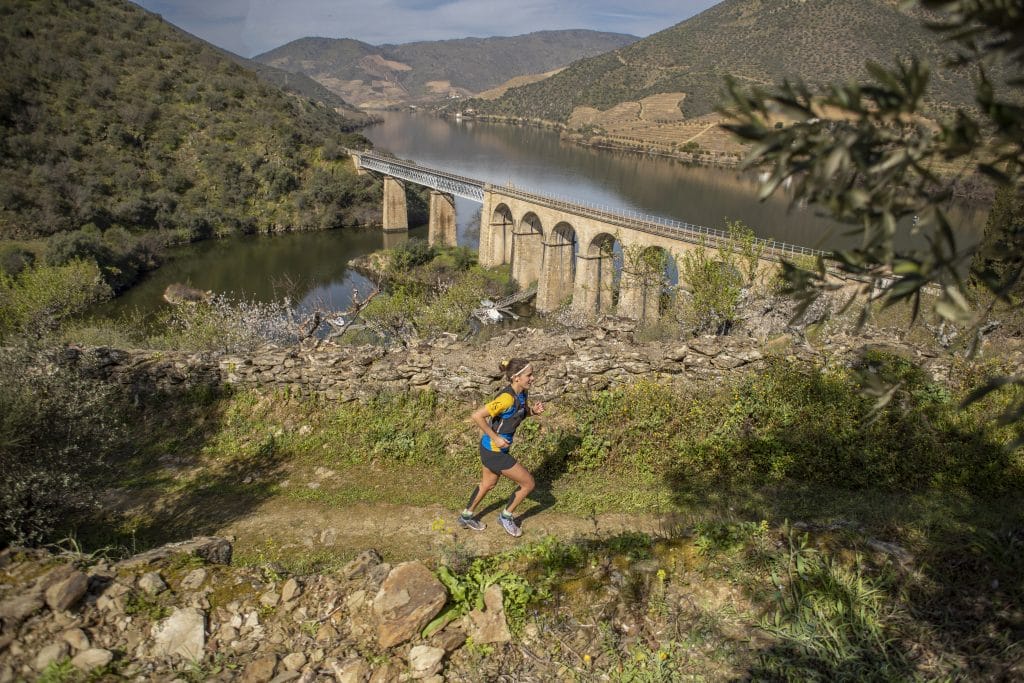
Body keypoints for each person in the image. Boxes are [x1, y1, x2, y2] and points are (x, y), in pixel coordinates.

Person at [458, 358, 545, 537]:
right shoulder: (506, 398)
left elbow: (518, 413)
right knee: (528, 483)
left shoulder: (522, 393)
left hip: (493, 449)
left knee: (488, 484)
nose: (533, 378)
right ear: (516, 378)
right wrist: (496, 438)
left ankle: (466, 516)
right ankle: (506, 517)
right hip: (493, 451)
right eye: (529, 375)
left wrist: (532, 412)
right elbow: (477, 416)